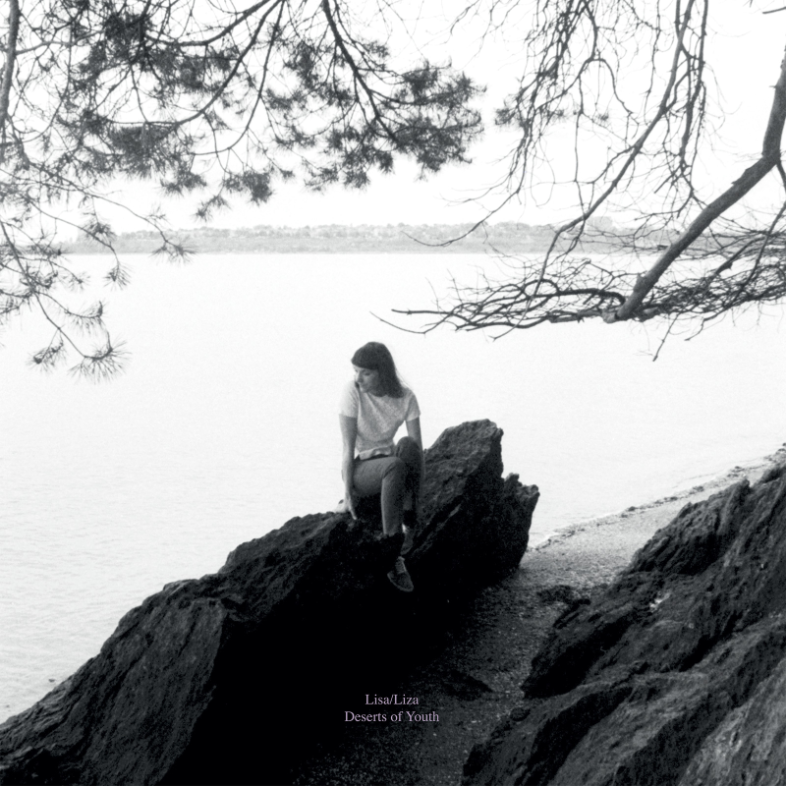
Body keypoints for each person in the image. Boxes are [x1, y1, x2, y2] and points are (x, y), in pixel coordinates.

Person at [338, 342, 424, 593]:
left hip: (390, 461)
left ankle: (411, 512)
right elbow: (347, 448)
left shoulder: (406, 398)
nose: (358, 378)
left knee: (408, 445)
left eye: (365, 373)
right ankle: (392, 552)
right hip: (360, 469)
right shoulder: (351, 392)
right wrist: (347, 495)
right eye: (355, 371)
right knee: (395, 466)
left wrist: (417, 502)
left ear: (382, 372)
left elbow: (416, 452)